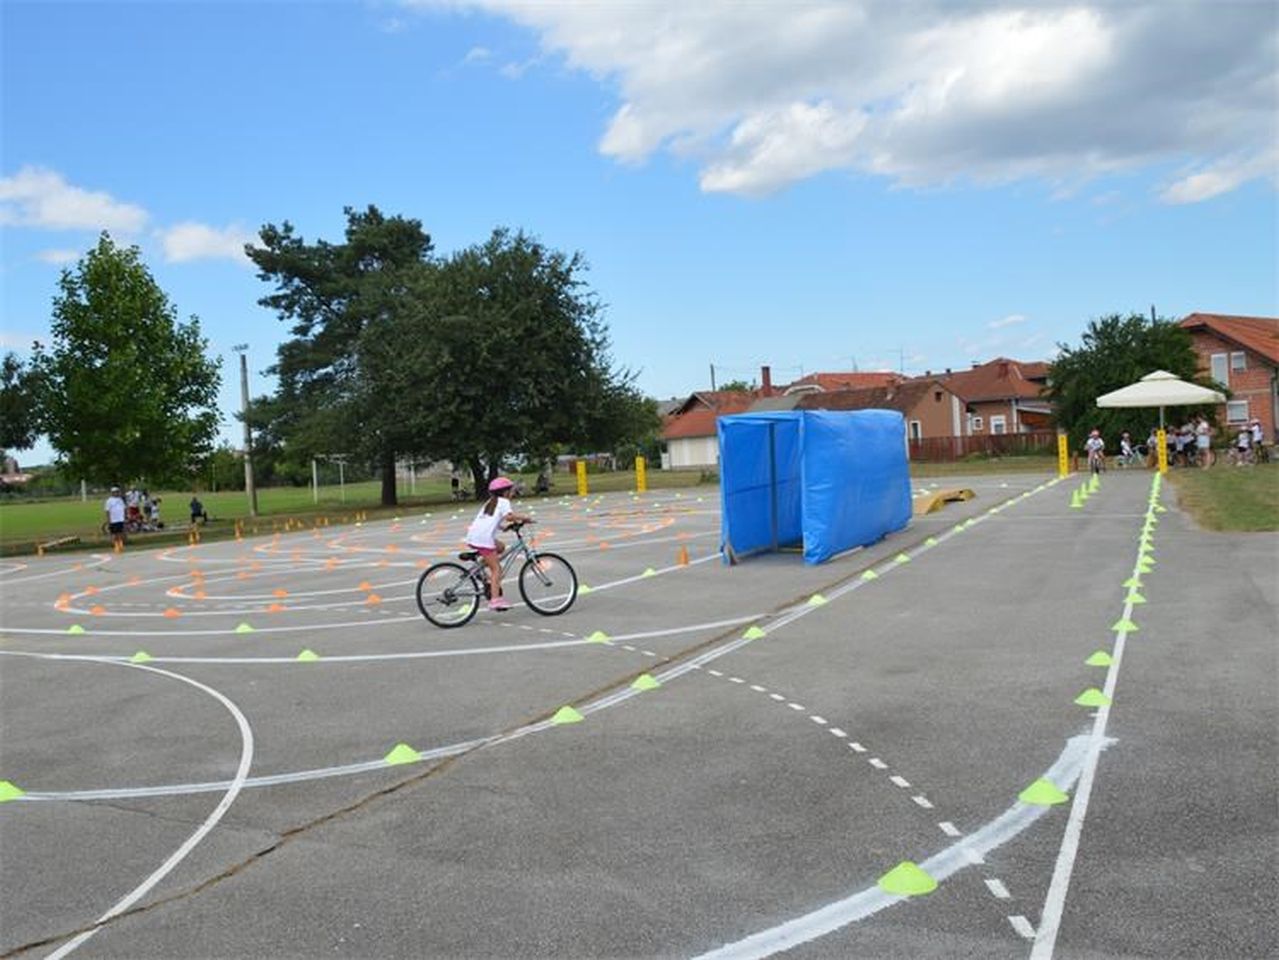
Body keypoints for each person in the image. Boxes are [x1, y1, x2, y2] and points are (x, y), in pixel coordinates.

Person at [465, 476, 532, 611]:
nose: (513, 493)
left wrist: (503, 528)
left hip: (474, 536)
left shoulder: (491, 502)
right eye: (511, 490)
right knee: (496, 569)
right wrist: (525, 517)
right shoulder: (503, 501)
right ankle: (495, 601)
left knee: (500, 547)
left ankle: (478, 568)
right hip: (483, 539)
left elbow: (490, 520)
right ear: (505, 492)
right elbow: (509, 516)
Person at [104, 485, 126, 550]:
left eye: (117, 492)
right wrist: (109, 520)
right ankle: (116, 545)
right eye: (115, 492)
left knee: (120, 532)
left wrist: (124, 517)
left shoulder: (120, 500)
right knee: (114, 533)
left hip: (120, 519)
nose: (117, 493)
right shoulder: (109, 501)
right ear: (112, 493)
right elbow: (107, 511)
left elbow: (124, 508)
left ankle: (120, 544)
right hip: (113, 519)